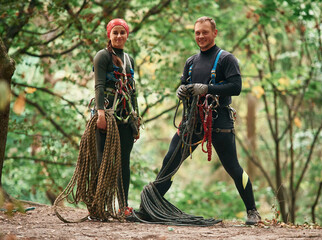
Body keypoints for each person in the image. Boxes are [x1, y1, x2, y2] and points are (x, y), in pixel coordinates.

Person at [153, 16, 261, 225]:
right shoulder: (191, 62)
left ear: (214, 33)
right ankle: (152, 206)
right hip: (192, 122)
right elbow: (184, 83)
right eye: (197, 33)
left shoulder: (226, 59)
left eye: (204, 32)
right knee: (170, 162)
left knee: (232, 166)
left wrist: (208, 89)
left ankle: (252, 211)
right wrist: (181, 90)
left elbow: (236, 87)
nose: (200, 36)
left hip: (218, 121)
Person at [93, 18, 140, 217]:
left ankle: (123, 207)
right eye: (115, 33)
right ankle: (97, 207)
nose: (119, 36)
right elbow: (99, 86)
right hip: (108, 115)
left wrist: (136, 119)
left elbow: (133, 90)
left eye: (122, 32)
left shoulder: (128, 59)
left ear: (127, 35)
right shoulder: (102, 56)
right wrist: (100, 113)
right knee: (102, 161)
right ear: (109, 35)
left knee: (123, 163)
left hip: (125, 116)